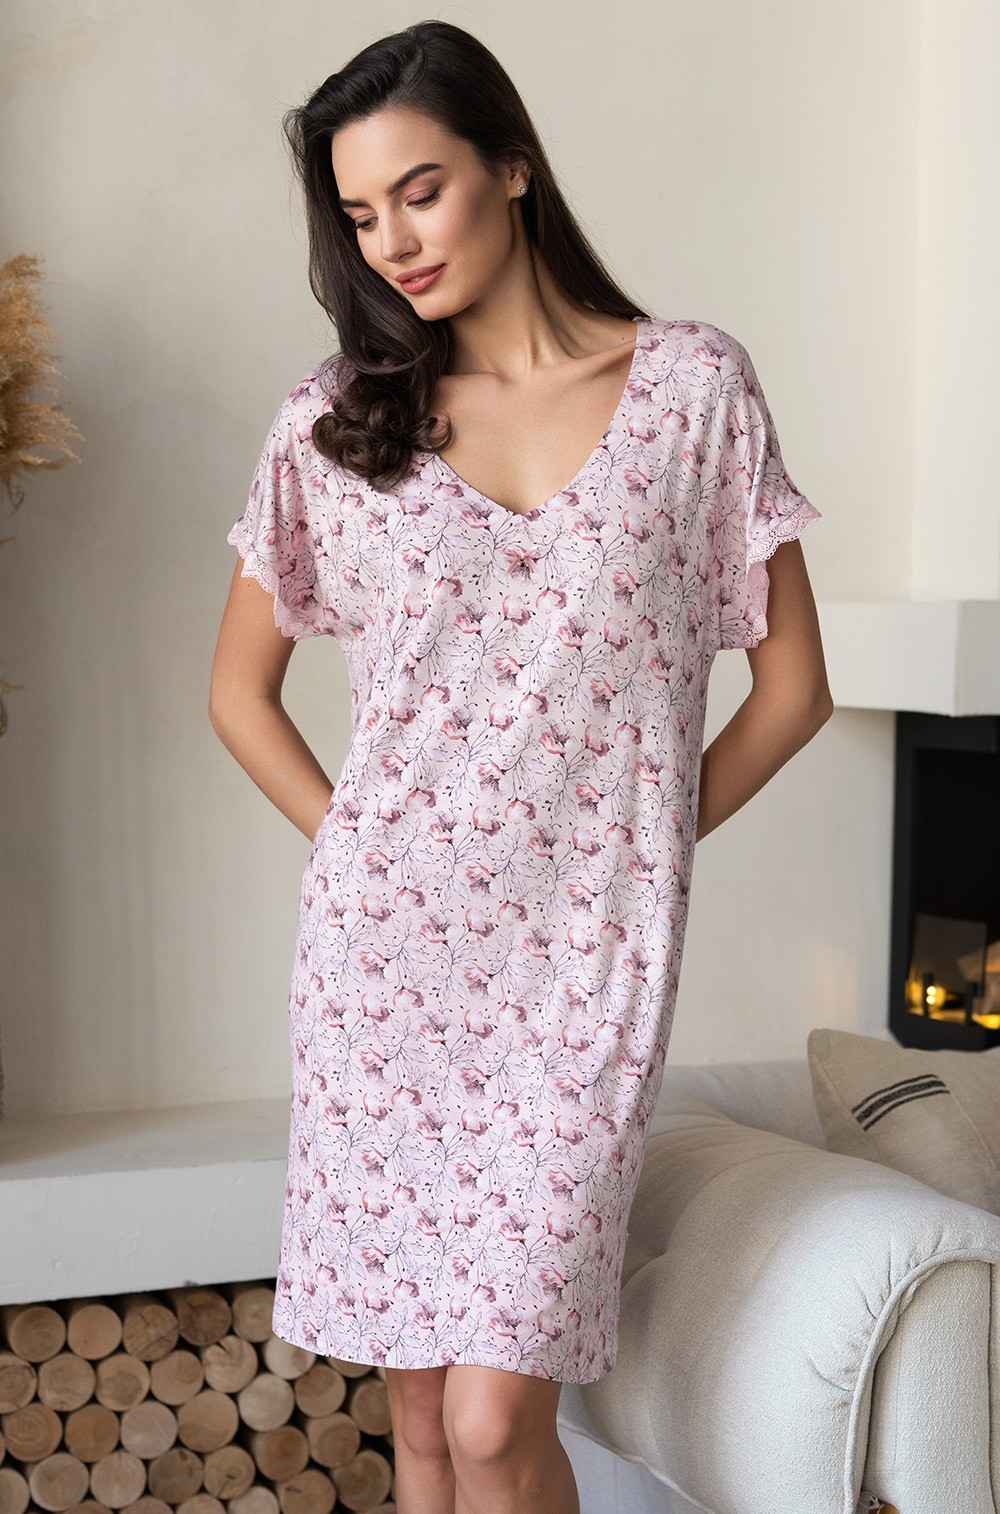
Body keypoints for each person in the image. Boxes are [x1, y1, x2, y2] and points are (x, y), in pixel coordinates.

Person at [208, 18, 833, 1514]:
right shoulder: (334, 421)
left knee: (496, 1423)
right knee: (426, 1422)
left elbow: (795, 691)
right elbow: (238, 693)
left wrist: (629, 856)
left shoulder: (692, 391)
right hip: (383, 971)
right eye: (361, 214)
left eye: (420, 191)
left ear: (512, 166)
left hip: (579, 975)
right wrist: (361, 845)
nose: (394, 242)